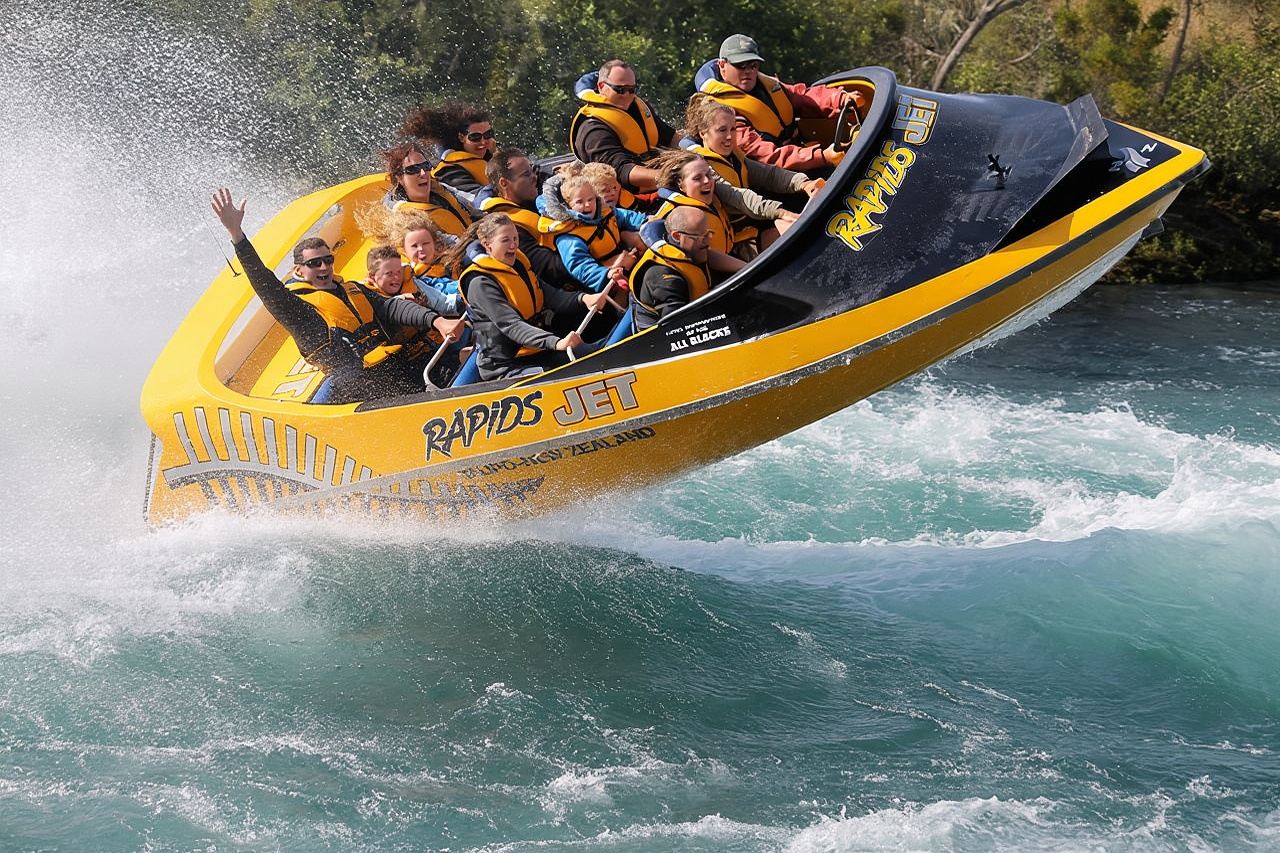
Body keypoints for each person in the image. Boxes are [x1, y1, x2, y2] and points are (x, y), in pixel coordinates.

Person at [210, 189, 446, 402]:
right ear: (298, 271)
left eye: (328, 260)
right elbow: (264, 283)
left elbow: (392, 307)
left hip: (396, 367)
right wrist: (237, 234)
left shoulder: (353, 290)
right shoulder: (299, 312)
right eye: (315, 263)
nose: (324, 267)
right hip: (360, 392)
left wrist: (436, 321)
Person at [442, 214, 611, 380]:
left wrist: (583, 298)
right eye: (505, 240)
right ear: (487, 244)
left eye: (515, 239)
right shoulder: (479, 283)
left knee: (596, 347)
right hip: (507, 365)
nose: (513, 245)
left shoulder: (517, 264)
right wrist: (555, 342)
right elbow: (511, 325)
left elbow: (549, 295)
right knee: (573, 367)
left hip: (534, 349)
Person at [693, 34, 863, 172]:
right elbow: (764, 155)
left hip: (801, 153)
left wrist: (839, 99)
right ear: (722, 65)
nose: (749, 71)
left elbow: (803, 96)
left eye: (753, 65)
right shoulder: (722, 113)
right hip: (774, 179)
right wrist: (821, 157)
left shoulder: (767, 84)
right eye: (741, 66)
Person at [682, 95, 818, 253]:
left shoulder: (734, 156)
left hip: (755, 222)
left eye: (733, 129)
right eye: (722, 130)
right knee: (796, 229)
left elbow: (769, 175)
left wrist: (804, 183)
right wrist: (780, 212)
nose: (729, 137)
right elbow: (739, 198)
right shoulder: (704, 169)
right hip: (737, 242)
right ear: (703, 133)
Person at [569, 59, 680, 194]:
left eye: (631, 89)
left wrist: (696, 149)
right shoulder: (593, 129)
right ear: (601, 86)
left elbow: (670, 137)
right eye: (620, 90)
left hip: (658, 182)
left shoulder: (637, 107)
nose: (627, 95)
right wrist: (675, 177)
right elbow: (622, 172)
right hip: (626, 198)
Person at [363, 244, 468, 381]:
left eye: (399, 272)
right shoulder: (368, 299)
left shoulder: (410, 283)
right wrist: (402, 299)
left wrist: (468, 298)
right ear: (372, 276)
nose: (396, 278)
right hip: (402, 362)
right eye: (389, 274)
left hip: (432, 346)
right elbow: (390, 310)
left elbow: (443, 303)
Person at [475, 147, 574, 288]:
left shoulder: (544, 199)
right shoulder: (507, 227)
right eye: (526, 174)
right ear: (504, 183)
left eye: (533, 171)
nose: (534, 177)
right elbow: (548, 267)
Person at [538, 169, 647, 293]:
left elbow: (625, 216)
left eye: (590, 199)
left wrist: (645, 221)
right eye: (579, 202)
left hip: (625, 258)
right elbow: (580, 265)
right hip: (604, 280)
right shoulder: (569, 236)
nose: (587, 205)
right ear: (568, 206)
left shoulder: (603, 212)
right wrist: (607, 274)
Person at [630, 206, 715, 331]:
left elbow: (712, 256)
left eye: (708, 234)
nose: (707, 241)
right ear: (677, 236)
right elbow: (676, 329)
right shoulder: (663, 277)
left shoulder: (691, 249)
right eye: (700, 237)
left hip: (697, 312)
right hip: (666, 336)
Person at [381, 139, 473, 237]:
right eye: (413, 169)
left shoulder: (442, 190)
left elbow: (473, 208)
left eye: (425, 166)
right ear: (399, 177)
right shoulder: (404, 221)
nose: (423, 173)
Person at [402, 102, 498, 194]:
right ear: (461, 137)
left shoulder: (491, 157)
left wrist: (495, 156)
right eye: (475, 137)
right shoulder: (448, 171)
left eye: (488, 134)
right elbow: (475, 197)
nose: (483, 142)